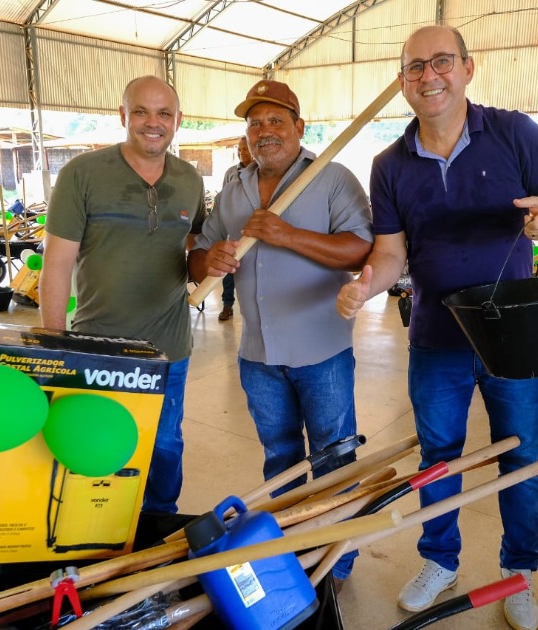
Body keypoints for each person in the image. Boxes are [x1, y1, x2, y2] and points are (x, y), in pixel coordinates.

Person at [336, 25, 538, 630]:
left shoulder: (513, 133)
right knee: (438, 458)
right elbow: (393, 252)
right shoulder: (388, 165)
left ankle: (519, 572)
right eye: (415, 67)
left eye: (441, 62)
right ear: (402, 82)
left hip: (516, 340)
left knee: (521, 459)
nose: (429, 76)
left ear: (468, 68)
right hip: (436, 339)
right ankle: (439, 560)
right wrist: (368, 283)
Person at [188, 79, 373, 585]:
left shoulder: (332, 178)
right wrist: (212, 259)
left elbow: (359, 249)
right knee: (281, 460)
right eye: (254, 124)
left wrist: (286, 234)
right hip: (257, 355)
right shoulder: (232, 189)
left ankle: (338, 560)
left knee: (334, 459)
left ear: (298, 127)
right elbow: (198, 254)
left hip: (323, 352)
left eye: (275, 121)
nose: (264, 132)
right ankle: (290, 549)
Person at [39, 75, 206, 515]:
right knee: (100, 448)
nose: (154, 123)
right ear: (123, 116)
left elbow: (194, 245)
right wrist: (56, 349)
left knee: (166, 444)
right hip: (101, 346)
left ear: (178, 121)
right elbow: (56, 265)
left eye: (164, 114)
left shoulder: (190, 180)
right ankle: (101, 531)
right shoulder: (83, 174)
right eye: (142, 112)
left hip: (169, 349)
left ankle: (158, 527)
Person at [216, 136, 253, 322]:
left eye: (245, 149)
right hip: (233, 231)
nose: (241, 152)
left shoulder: (262, 172)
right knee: (228, 271)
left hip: (254, 233)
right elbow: (223, 201)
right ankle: (227, 305)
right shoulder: (231, 173)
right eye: (239, 149)